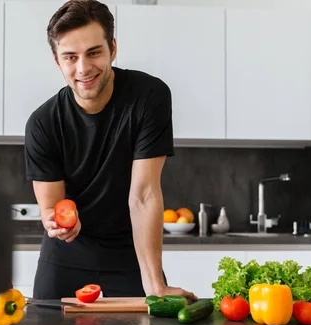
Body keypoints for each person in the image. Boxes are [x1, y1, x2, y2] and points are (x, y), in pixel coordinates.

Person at [24, 0, 197, 301]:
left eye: (94, 52)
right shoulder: (43, 123)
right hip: (65, 259)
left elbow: (143, 195)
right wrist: (59, 223)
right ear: (57, 61)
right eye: (70, 57)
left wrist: (155, 285)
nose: (83, 68)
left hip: (131, 256)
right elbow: (51, 206)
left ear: (113, 48)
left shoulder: (148, 97)